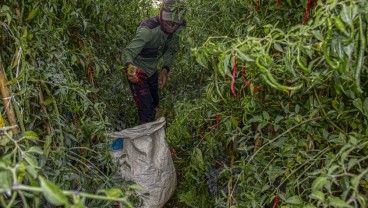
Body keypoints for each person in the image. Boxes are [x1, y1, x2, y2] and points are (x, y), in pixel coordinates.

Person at [122, 0, 186, 124]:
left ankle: (148, 126)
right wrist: (130, 70)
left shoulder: (177, 30)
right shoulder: (148, 30)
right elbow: (127, 52)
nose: (171, 27)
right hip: (138, 72)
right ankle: (145, 139)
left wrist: (165, 69)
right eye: (168, 22)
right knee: (147, 111)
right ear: (161, 16)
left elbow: (169, 50)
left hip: (152, 71)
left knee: (154, 102)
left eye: (175, 24)